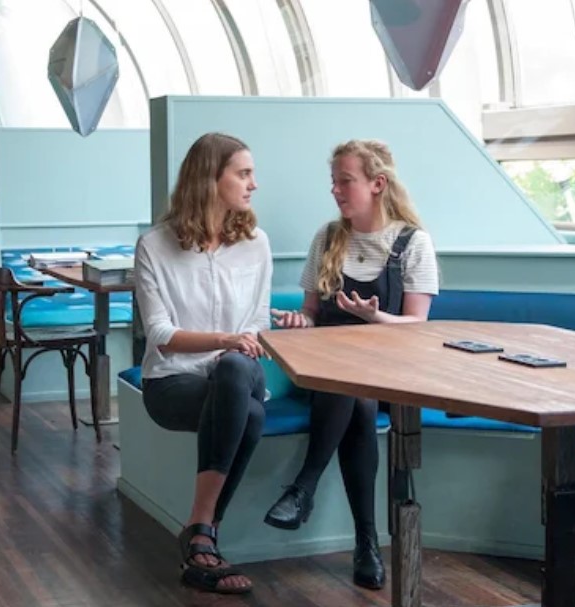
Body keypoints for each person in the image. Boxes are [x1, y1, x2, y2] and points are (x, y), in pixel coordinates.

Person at [265, 139, 439, 590]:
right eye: (334, 182)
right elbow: (311, 313)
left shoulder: (413, 243)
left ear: (377, 183)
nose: (336, 190)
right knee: (352, 393)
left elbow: (418, 327)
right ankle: (366, 543)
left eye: (345, 181)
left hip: (390, 377)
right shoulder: (326, 238)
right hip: (326, 376)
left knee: (358, 392)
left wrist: (375, 318)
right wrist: (298, 321)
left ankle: (304, 487)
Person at [134, 132, 272, 595]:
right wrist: (224, 340)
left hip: (241, 371)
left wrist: (233, 345)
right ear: (210, 179)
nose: (253, 184)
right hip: (173, 383)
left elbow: (257, 323)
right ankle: (204, 535)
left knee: (233, 370)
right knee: (249, 414)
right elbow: (160, 336)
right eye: (243, 173)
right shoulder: (154, 246)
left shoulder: (257, 244)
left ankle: (199, 532)